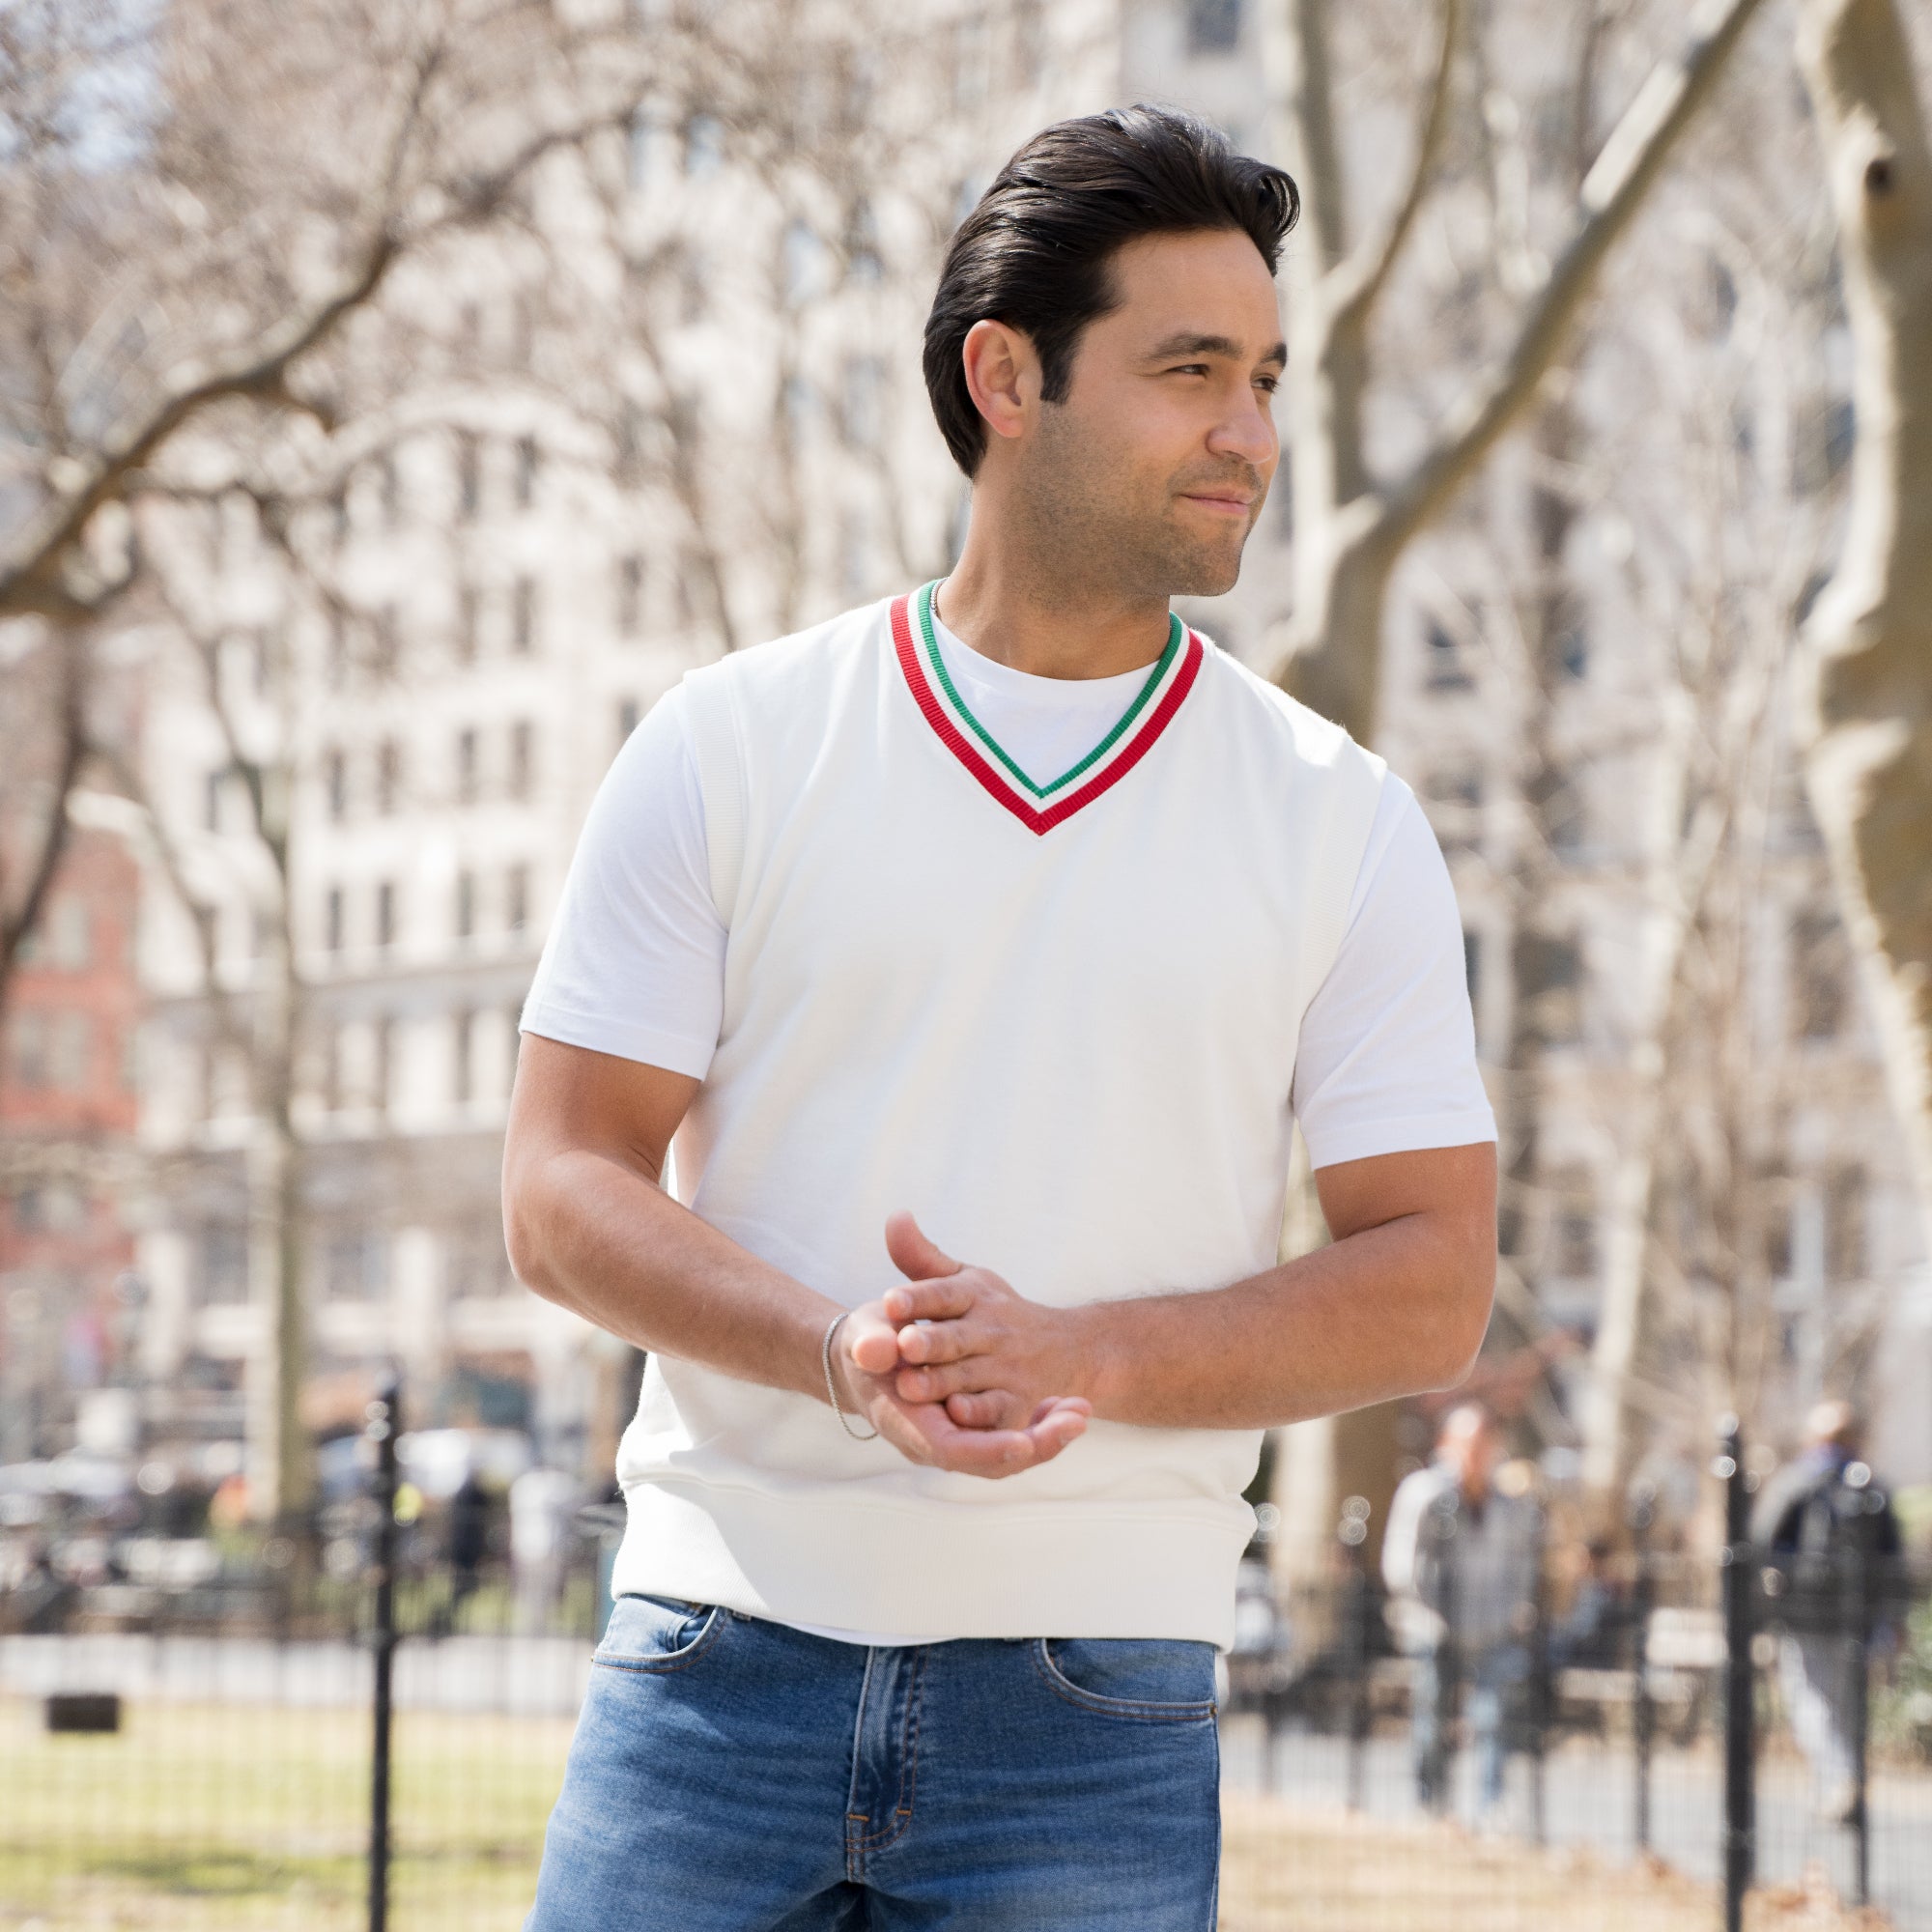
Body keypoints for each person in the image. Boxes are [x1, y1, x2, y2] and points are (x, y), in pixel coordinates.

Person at [505, 104, 1498, 1931]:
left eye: (1266, 376)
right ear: (1006, 376)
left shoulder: (1335, 813)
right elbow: (562, 1184)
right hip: (714, 1664)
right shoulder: (732, 744)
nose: (1249, 434)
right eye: (1191, 369)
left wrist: (1080, 1355)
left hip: (1094, 1705)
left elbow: (1434, 1275)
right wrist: (831, 1351)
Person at [1382, 1406, 1541, 1820]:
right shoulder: (1425, 1494)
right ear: (1447, 1445)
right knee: (1432, 1720)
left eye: (1484, 1445)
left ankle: (1491, 1808)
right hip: (1434, 1627)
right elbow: (1401, 1563)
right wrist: (1426, 1615)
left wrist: (1513, 1613)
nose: (1476, 1455)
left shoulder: (1509, 1503)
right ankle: (1430, 1805)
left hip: (1492, 1628)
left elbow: (1522, 1564)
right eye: (1468, 1445)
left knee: (1494, 1717)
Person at [1754, 1399, 1903, 1822]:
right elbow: (1893, 1559)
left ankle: (1838, 1781)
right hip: (1859, 1617)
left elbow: (1761, 1543)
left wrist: (1764, 1606)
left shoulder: (1797, 1481)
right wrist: (1893, 1617)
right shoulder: (1872, 1486)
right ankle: (1840, 1783)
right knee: (1846, 1705)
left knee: (1811, 1701)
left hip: (1806, 1614)